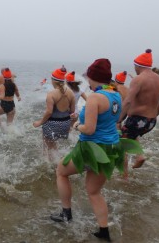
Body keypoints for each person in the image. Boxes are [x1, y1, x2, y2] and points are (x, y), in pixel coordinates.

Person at [51, 59, 123, 242]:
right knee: (93, 191)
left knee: (60, 171)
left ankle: (66, 214)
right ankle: (104, 231)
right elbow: (111, 121)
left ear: (93, 77)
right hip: (110, 148)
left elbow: (89, 129)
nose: (87, 82)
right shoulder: (116, 95)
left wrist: (77, 125)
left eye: (88, 78)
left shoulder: (95, 98)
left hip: (92, 148)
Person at [118, 49, 159, 168]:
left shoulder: (138, 79)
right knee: (133, 133)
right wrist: (154, 114)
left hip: (137, 119)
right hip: (151, 122)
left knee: (122, 146)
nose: (134, 68)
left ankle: (124, 177)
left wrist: (118, 120)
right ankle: (139, 155)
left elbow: (128, 101)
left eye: (135, 66)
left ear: (137, 65)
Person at [33, 67, 75, 158]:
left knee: (49, 145)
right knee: (52, 144)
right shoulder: (71, 93)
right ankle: (50, 158)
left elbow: (49, 112)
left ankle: (56, 163)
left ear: (54, 81)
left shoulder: (51, 94)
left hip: (52, 124)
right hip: (66, 124)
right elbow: (72, 112)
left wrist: (39, 122)